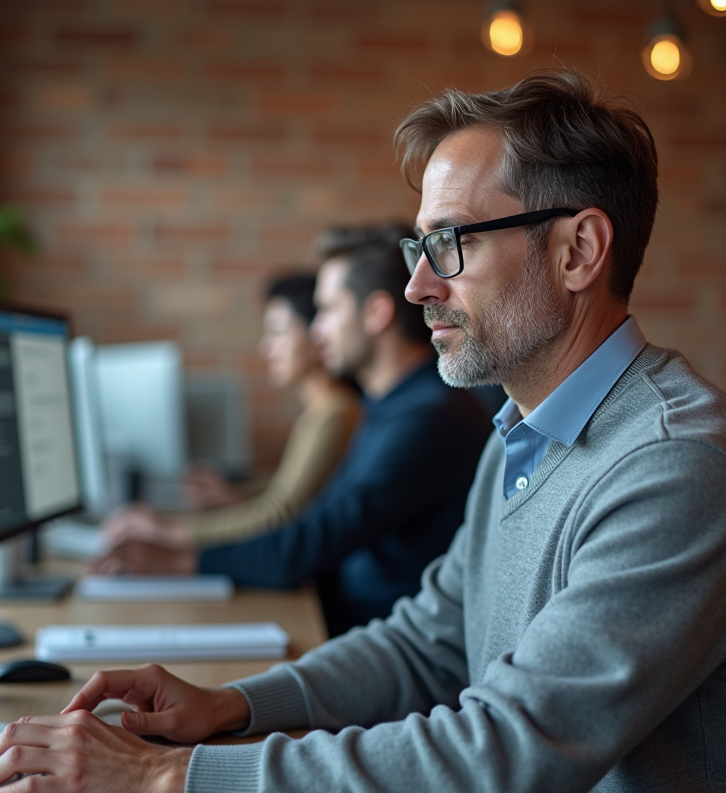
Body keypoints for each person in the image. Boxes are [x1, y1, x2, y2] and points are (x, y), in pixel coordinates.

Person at [0, 70, 726, 793]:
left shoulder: (675, 466)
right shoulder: (525, 429)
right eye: (418, 246)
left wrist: (168, 775)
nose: (415, 287)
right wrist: (234, 706)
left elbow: (505, 751)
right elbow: (426, 645)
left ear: (578, 251)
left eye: (448, 244)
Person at [92, 225, 493, 637]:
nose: (316, 331)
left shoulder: (426, 418)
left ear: (376, 314)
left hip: (382, 642)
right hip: (350, 624)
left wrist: (177, 561)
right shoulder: (390, 406)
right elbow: (317, 516)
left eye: (329, 310)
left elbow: (311, 540)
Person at [100, 273, 361, 550]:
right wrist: (236, 495)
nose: (265, 347)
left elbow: (282, 512)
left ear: (317, 333)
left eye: (278, 332)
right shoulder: (325, 411)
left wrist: (171, 531)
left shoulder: (335, 415)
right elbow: (288, 489)